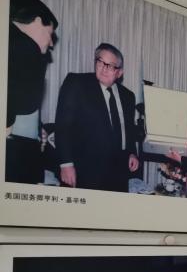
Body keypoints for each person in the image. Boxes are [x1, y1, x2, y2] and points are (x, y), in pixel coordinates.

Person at [55, 43, 139, 192]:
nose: (104, 68)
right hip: (85, 172)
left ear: (119, 72)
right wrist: (66, 164)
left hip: (119, 173)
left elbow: (128, 130)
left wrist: (132, 153)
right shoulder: (76, 83)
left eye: (110, 65)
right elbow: (62, 126)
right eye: (100, 62)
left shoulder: (128, 96)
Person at [6, 0, 58, 185]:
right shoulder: (25, 46)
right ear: (36, 21)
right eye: (50, 34)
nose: (51, 43)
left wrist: (36, 128)